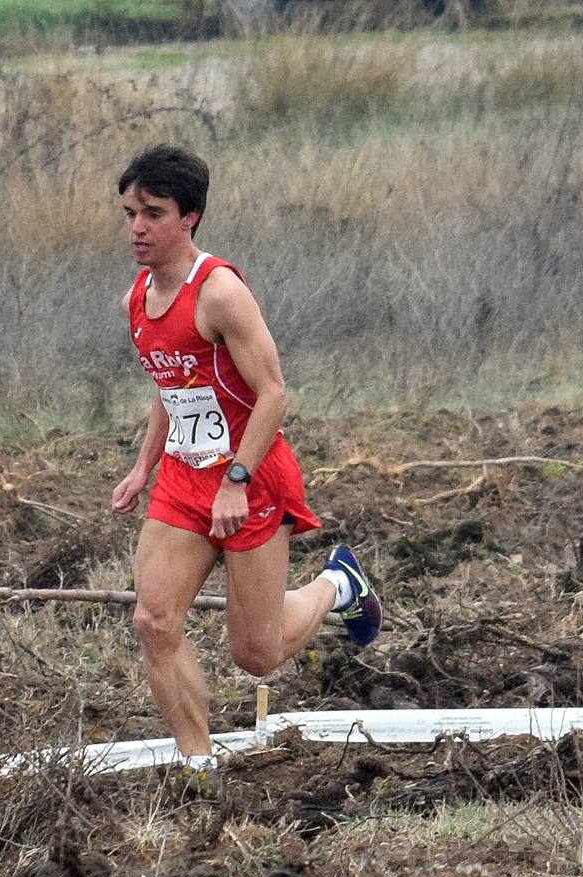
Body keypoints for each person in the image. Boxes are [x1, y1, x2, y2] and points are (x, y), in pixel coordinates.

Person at [108, 145, 382, 775]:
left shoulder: (220, 292)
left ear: (190, 217)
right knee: (153, 620)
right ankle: (199, 771)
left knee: (256, 655)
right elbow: (170, 388)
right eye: (130, 213)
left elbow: (274, 394)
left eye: (153, 213)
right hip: (183, 478)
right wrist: (142, 468)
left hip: (250, 478)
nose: (138, 228)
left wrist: (236, 479)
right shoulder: (137, 299)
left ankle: (340, 584)